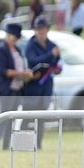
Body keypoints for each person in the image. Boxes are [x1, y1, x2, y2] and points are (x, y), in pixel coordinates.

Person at [0, 23, 34, 151]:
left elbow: (19, 66)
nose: (16, 40)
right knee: (3, 117)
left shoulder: (18, 50)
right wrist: (22, 73)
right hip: (6, 88)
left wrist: (26, 73)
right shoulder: (1, 49)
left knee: (12, 118)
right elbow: (4, 71)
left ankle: (5, 144)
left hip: (17, 87)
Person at [23, 16, 61, 149]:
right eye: (38, 29)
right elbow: (33, 61)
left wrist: (57, 67)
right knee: (27, 117)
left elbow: (56, 62)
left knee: (42, 117)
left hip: (46, 86)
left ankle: (38, 144)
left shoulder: (52, 45)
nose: (40, 31)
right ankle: (23, 144)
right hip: (33, 85)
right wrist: (51, 55)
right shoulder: (31, 45)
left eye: (43, 29)